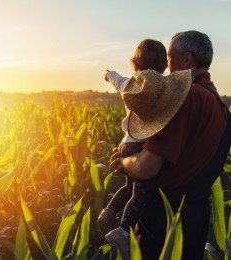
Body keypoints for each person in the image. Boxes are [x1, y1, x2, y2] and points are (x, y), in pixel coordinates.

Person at [110, 30, 231, 260]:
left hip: (163, 224)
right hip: (195, 221)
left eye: (169, 58)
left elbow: (147, 167)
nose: (165, 66)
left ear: (186, 60)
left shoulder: (184, 99)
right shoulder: (218, 104)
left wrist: (123, 162)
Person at [97, 39, 168, 242]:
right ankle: (124, 230)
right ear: (164, 66)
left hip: (126, 143)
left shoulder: (128, 85)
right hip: (141, 144)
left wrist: (108, 74)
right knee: (141, 193)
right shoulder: (161, 90)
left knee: (128, 187)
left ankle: (108, 212)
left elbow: (115, 79)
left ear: (135, 63)